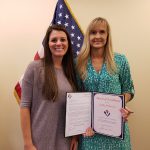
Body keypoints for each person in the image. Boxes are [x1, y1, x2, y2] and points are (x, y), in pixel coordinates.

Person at [72, 17, 135, 150]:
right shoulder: (78, 63)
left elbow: (128, 89)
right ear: (88, 36)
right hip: (89, 130)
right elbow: (76, 95)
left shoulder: (120, 60)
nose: (98, 36)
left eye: (102, 32)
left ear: (107, 35)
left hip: (115, 128)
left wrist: (122, 104)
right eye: (93, 32)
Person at [20, 24, 78, 150]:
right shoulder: (34, 68)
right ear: (47, 44)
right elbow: (24, 106)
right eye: (54, 40)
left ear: (68, 43)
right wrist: (28, 143)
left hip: (65, 142)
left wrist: (75, 137)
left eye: (63, 39)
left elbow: (74, 109)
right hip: (39, 142)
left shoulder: (71, 72)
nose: (59, 43)